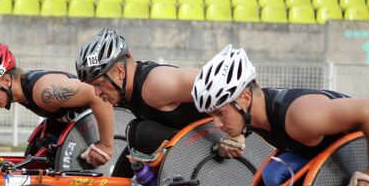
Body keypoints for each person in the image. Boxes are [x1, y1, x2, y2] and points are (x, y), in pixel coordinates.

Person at [192, 44, 369, 186]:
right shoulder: (255, 113)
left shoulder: (301, 117)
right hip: (340, 154)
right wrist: (239, 134)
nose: (217, 124)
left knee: (278, 179)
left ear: (245, 98)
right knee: (276, 176)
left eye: (220, 113)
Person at [74, 27, 245, 161]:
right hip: (196, 148)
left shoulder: (157, 84)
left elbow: (226, 82)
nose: (96, 93)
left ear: (120, 71)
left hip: (224, 152)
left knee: (144, 133)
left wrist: (236, 134)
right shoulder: (125, 90)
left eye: (99, 84)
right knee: (135, 134)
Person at [0, 42, 114, 166]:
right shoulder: (23, 93)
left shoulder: (45, 92)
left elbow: (98, 95)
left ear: (6, 80)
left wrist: (106, 146)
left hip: (114, 125)